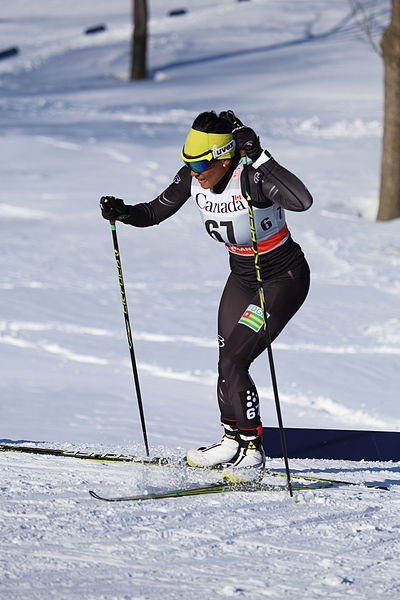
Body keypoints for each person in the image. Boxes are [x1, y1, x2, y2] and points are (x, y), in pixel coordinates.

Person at [100, 110, 312, 478]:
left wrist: (262, 157)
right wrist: (125, 213)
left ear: (224, 157)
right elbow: (154, 212)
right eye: (189, 163)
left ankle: (253, 452)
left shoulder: (253, 177)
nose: (194, 172)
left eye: (200, 164)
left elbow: (302, 200)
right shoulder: (193, 179)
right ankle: (231, 440)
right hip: (243, 277)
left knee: (235, 359)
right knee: (225, 360)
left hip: (281, 279)